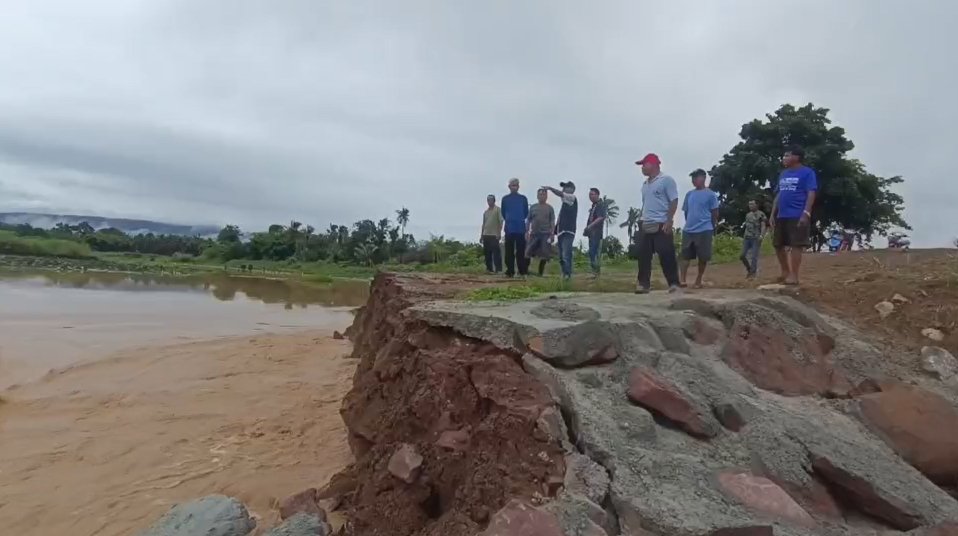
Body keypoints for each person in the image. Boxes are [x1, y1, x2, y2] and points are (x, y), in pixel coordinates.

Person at [770, 146, 817, 285]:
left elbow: (811, 193)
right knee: (778, 244)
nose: (784, 158)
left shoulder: (807, 173)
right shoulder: (783, 174)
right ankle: (785, 271)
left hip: (797, 214)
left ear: (796, 157)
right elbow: (779, 194)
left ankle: (794, 275)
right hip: (782, 215)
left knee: (796, 245)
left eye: (787, 155)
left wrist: (806, 213)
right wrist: (773, 213)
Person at [634, 153, 681, 294]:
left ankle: (674, 283)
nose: (642, 168)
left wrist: (669, 220)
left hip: (661, 223)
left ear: (653, 164)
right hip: (646, 223)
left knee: (666, 254)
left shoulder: (666, 180)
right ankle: (643, 284)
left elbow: (674, 201)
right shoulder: (645, 184)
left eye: (644, 165)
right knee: (643, 256)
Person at [679, 169, 720, 288]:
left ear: (703, 178)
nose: (693, 180)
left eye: (696, 177)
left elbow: (715, 212)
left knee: (703, 256)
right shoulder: (689, 194)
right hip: (689, 229)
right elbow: (686, 211)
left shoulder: (711, 194)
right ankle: (682, 279)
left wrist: (712, 226)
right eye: (692, 178)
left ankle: (698, 279)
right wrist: (689, 223)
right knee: (685, 255)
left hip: (704, 229)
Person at [542, 181, 578, 280]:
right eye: (563, 187)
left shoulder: (572, 198)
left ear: (571, 189)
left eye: (566, 187)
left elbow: (560, 194)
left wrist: (549, 188)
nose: (563, 189)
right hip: (561, 232)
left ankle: (567, 274)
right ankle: (564, 274)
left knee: (566, 254)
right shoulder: (564, 205)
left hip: (568, 231)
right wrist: (553, 233)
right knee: (561, 256)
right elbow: (558, 220)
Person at [501, 178, 530, 277]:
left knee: (521, 251)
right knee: (509, 251)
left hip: (520, 228)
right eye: (512, 185)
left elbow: (526, 213)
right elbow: (503, 213)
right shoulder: (505, 199)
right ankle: (510, 271)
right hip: (509, 228)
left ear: (518, 186)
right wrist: (510, 219)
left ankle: (522, 271)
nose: (514, 187)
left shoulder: (523, 199)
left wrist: (519, 219)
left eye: (516, 185)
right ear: (509, 187)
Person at [525, 188, 556, 276]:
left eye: (543, 194)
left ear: (546, 196)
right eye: (540, 194)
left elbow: (552, 221)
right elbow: (528, 220)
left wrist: (552, 233)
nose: (542, 196)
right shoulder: (533, 207)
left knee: (545, 254)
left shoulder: (550, 208)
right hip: (534, 233)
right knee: (528, 252)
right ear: (537, 196)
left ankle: (540, 273)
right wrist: (527, 231)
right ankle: (525, 271)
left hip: (545, 234)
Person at [739, 199, 767, 279]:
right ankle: (749, 269)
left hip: (756, 237)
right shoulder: (748, 215)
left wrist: (762, 235)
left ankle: (752, 273)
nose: (750, 206)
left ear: (756, 205)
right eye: (749, 204)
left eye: (752, 204)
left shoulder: (761, 214)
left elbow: (763, 225)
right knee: (742, 255)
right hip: (747, 237)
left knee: (754, 256)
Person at [583, 187, 607, 278]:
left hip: (596, 233)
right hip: (591, 233)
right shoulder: (594, 206)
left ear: (597, 195)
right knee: (592, 252)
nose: (590, 196)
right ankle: (595, 271)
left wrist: (590, 226)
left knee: (594, 252)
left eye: (592, 194)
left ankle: (595, 272)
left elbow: (601, 217)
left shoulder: (600, 204)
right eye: (590, 194)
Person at [480, 194, 503, 273]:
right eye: (488, 200)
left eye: (491, 199)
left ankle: (498, 269)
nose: (489, 201)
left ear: (494, 200)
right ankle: (489, 269)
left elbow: (501, 222)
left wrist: (499, 233)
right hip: (486, 234)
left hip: (494, 234)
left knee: (496, 253)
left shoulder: (498, 210)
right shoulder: (486, 212)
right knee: (487, 253)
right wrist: (481, 235)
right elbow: (483, 224)